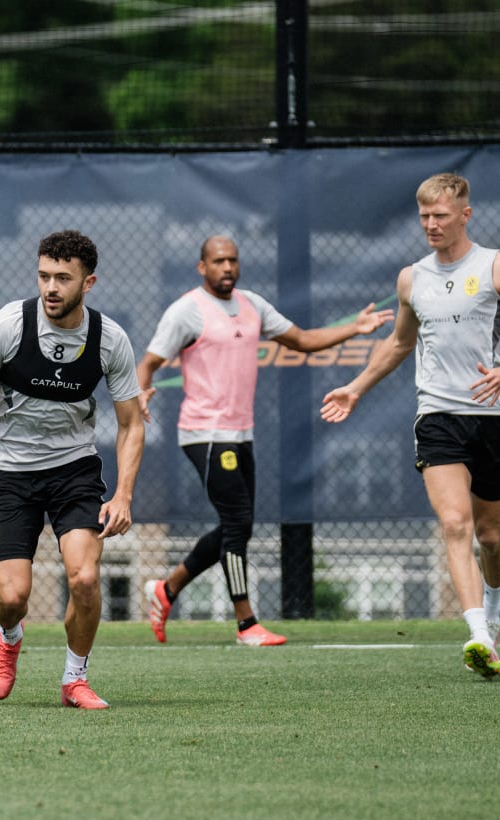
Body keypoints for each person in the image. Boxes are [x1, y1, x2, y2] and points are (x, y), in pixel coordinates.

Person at [320, 173, 500, 679]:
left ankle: (492, 604)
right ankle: (477, 636)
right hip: (437, 416)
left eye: (441, 215)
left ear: (465, 214)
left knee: (489, 535)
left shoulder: (497, 266)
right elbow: (399, 344)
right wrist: (355, 387)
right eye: (424, 216)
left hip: (493, 416)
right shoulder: (412, 278)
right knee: (454, 524)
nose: (432, 225)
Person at [137, 236, 393, 646]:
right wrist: (142, 391)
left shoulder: (253, 305)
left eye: (233, 260)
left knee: (234, 526)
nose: (227, 267)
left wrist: (356, 328)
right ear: (202, 267)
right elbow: (148, 362)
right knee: (238, 523)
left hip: (241, 433)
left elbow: (304, 341)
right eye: (218, 261)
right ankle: (246, 624)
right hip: (205, 433)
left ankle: (166, 590)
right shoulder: (186, 311)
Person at [0, 230, 144, 710]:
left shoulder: (109, 340)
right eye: (43, 276)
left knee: (84, 579)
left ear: (88, 282)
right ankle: (9, 636)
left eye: (62, 278)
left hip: (74, 471)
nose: (50, 287)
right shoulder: (9, 326)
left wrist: (123, 496)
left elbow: (132, 423)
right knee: (12, 596)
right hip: (11, 474)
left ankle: (74, 680)